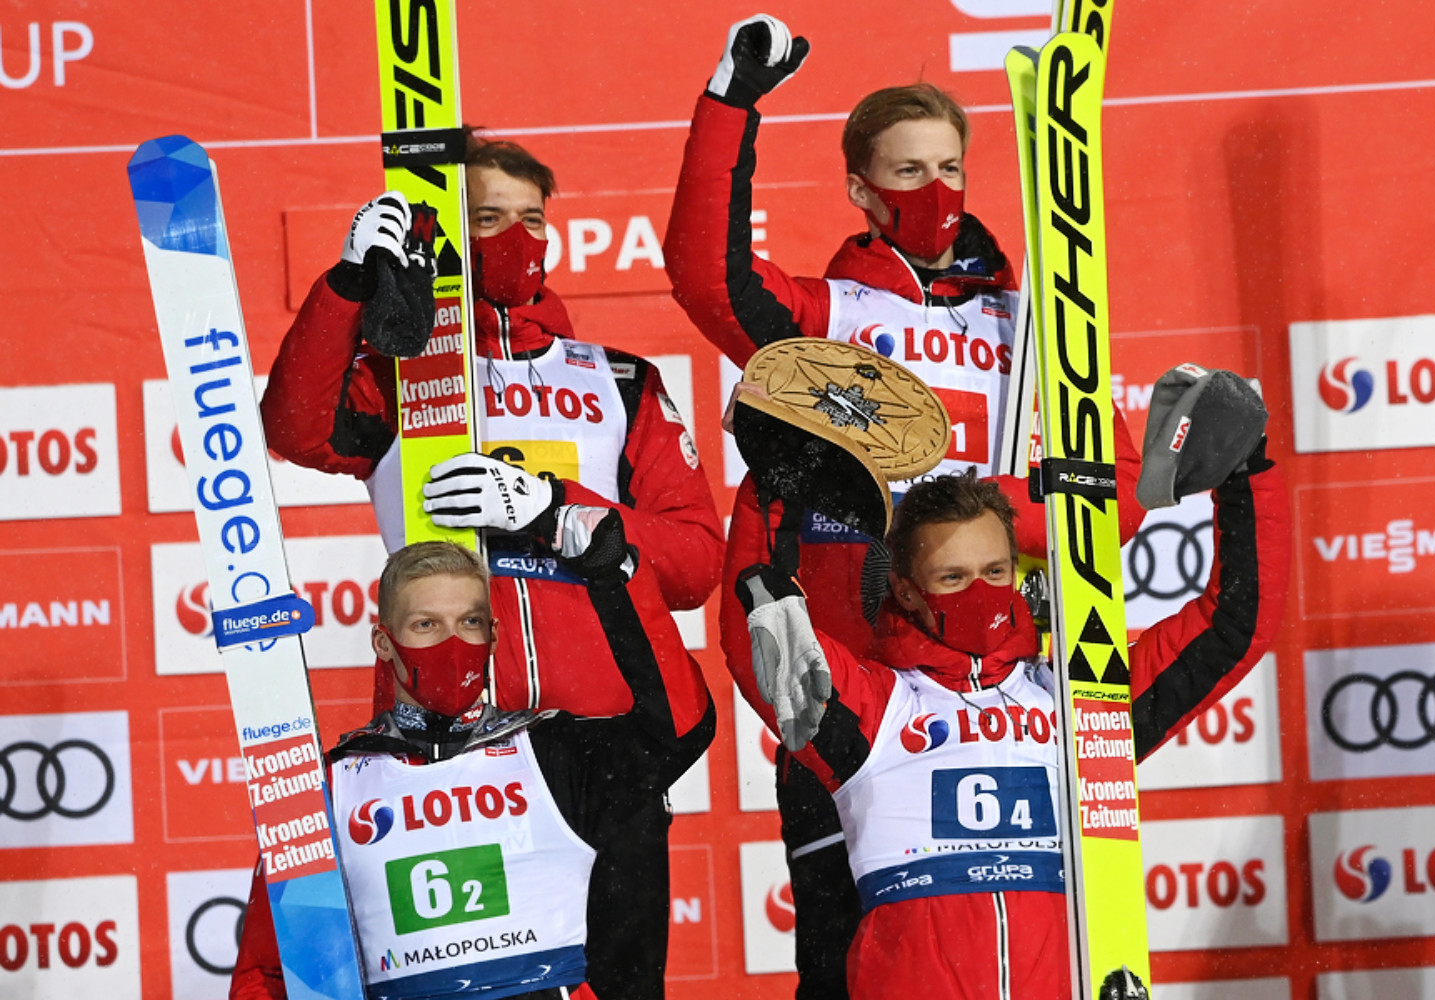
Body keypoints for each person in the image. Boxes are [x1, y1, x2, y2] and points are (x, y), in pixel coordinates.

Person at [664, 16, 1148, 995]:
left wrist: (974, 513)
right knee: (842, 968)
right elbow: (705, 278)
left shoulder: (1037, 328)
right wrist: (730, 104)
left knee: (1017, 953)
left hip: (999, 692)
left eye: (951, 168)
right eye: (910, 171)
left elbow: (1119, 496)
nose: (938, 192)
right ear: (860, 189)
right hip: (854, 696)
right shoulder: (829, 322)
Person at [260, 135, 721, 999]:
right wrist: (352, 286)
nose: (515, 237)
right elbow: (293, 427)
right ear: (447, 233)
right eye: (486, 219)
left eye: (531, 219)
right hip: (443, 754)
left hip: (600, 751)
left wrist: (556, 509)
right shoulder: (405, 372)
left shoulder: (617, 381)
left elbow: (696, 562)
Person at [732, 446, 1289, 999]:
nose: (980, 592)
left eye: (994, 572)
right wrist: (773, 482)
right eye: (952, 578)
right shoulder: (876, 708)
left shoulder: (1079, 701)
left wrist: (1243, 473)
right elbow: (762, 632)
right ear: (904, 589)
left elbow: (1228, 626)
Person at [231, 525, 714, 1000]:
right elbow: (268, 976)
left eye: (470, 622)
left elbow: (679, 729)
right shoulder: (328, 791)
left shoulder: (549, 755)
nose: (452, 642)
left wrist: (614, 581)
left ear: (494, 633)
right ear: (383, 642)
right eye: (426, 625)